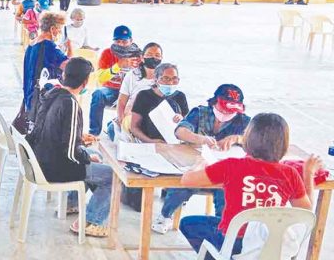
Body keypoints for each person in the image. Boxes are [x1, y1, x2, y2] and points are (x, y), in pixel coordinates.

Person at [179, 113, 322, 255]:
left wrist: (198, 164)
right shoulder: (290, 174)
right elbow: (306, 212)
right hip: (269, 245)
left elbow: (187, 180)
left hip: (234, 242)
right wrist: (308, 173)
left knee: (187, 224)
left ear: (248, 138)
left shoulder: (231, 166)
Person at [26, 58, 114, 238]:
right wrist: (86, 158)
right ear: (85, 82)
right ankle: (92, 221)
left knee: (93, 152)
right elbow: (70, 154)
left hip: (40, 159)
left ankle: (71, 202)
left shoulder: (52, 94)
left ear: (64, 76)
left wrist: (79, 140)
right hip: (54, 168)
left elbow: (47, 130)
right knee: (111, 176)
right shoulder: (72, 104)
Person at [152, 84, 252, 235]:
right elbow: (180, 131)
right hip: (197, 165)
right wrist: (200, 138)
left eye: (231, 110)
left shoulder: (244, 121)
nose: (226, 112)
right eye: (223, 108)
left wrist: (237, 138)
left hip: (224, 171)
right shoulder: (199, 113)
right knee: (183, 185)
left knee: (227, 191)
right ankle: (165, 215)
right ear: (214, 102)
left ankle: (222, 226)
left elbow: (255, 142)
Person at [22, 12, 72, 121]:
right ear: (53, 29)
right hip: (44, 99)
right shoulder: (49, 46)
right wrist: (70, 48)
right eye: (59, 29)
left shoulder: (31, 45)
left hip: (30, 96)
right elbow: (68, 67)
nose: (59, 33)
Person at [89, 25, 138, 136]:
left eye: (124, 41)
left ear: (131, 41)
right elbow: (100, 78)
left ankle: (122, 128)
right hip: (112, 90)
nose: (121, 44)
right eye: (118, 41)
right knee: (98, 94)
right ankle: (93, 133)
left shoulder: (138, 56)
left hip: (132, 94)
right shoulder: (107, 53)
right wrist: (117, 67)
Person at [128, 63, 189, 142]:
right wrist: (150, 141)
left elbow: (188, 124)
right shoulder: (143, 95)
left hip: (172, 141)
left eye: (174, 79)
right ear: (156, 79)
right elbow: (134, 127)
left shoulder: (180, 96)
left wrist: (181, 119)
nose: (170, 83)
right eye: (165, 78)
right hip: (147, 141)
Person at [115, 42, 163, 137]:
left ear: (162, 58)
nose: (153, 58)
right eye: (149, 55)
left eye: (157, 55)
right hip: (132, 117)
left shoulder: (164, 77)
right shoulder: (132, 75)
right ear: (142, 57)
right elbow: (121, 102)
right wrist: (121, 119)